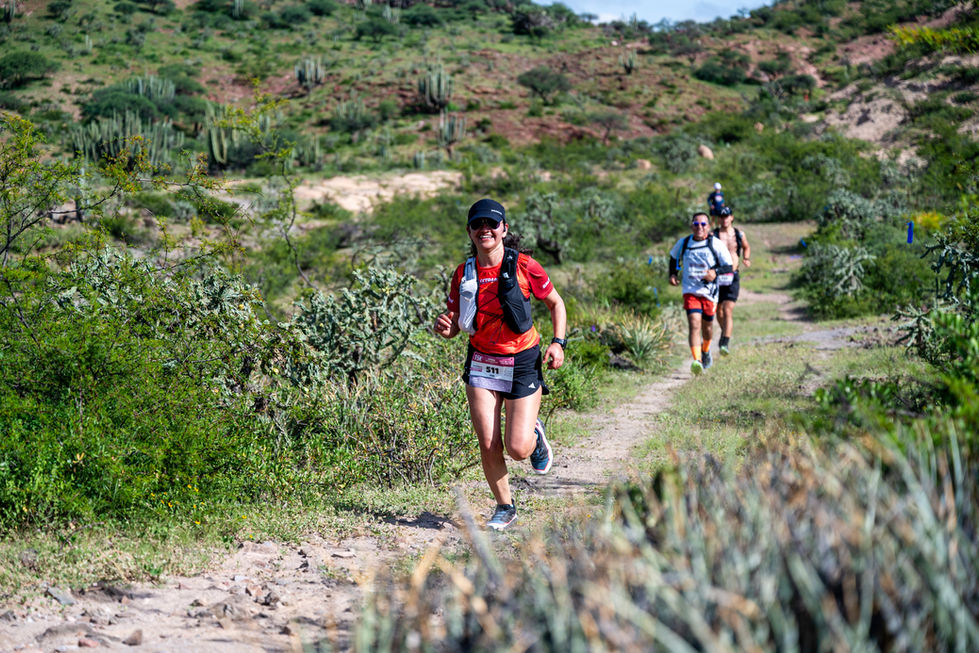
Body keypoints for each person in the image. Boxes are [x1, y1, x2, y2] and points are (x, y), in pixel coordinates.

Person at [433, 198, 567, 531]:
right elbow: (455, 322)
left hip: (522, 359)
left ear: (504, 229)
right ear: (469, 232)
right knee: (489, 441)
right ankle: (505, 506)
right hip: (481, 361)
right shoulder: (463, 273)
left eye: (492, 224)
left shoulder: (524, 266)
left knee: (518, 449)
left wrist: (558, 342)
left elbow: (556, 303)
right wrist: (446, 328)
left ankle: (533, 433)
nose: (485, 230)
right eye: (477, 225)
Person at [668, 212, 733, 375]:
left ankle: (705, 350)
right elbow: (674, 258)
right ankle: (696, 361)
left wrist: (715, 272)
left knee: (707, 327)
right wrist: (673, 274)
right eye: (696, 224)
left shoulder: (715, 244)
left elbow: (728, 266)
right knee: (694, 323)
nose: (699, 227)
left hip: (709, 292)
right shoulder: (684, 243)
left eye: (703, 224)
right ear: (691, 226)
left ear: (708, 226)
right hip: (690, 291)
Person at [712, 206, 751, 356]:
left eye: (727, 216)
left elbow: (746, 247)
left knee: (728, 310)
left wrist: (746, 258)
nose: (725, 219)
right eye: (722, 217)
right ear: (719, 219)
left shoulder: (739, 234)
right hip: (719, 276)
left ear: (732, 217)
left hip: (733, 276)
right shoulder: (714, 235)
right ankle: (724, 333)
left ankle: (725, 343)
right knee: (718, 312)